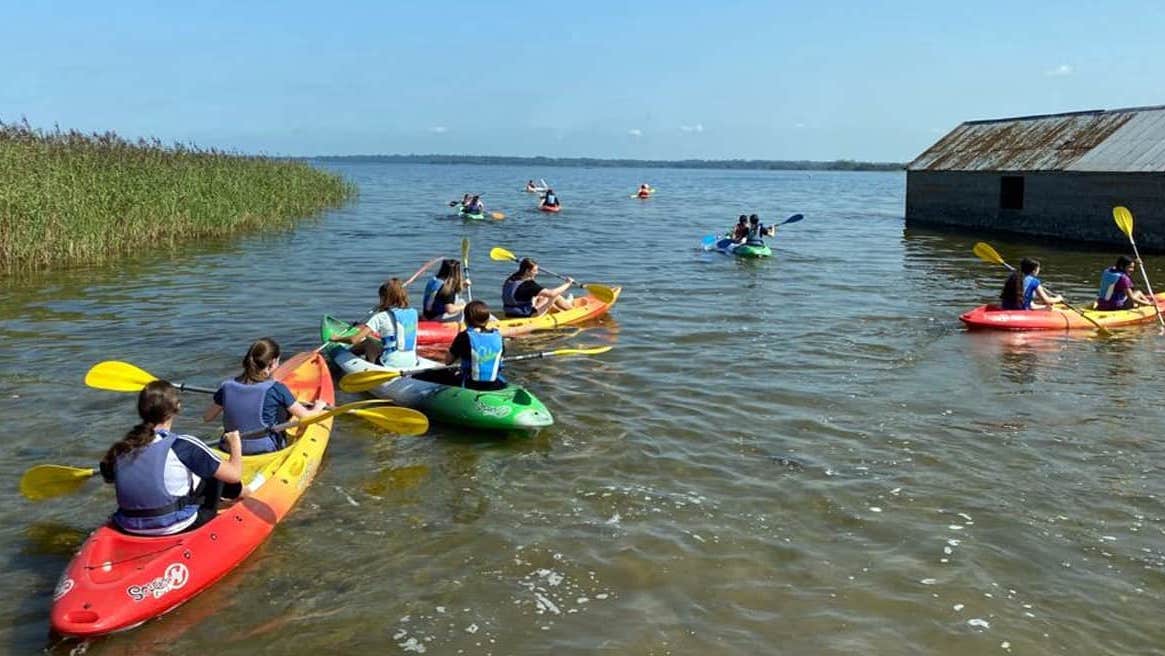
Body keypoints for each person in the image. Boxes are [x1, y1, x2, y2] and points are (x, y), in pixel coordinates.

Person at [100, 381, 243, 536]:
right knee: (213, 472)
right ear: (178, 407)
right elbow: (234, 475)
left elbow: (109, 476)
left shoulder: (122, 447)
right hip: (173, 525)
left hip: (127, 525)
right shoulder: (183, 445)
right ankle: (238, 496)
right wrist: (235, 443)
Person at [203, 338, 326, 455]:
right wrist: (318, 407)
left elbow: (207, 417)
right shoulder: (276, 388)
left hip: (229, 447)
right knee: (282, 411)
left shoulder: (227, 386)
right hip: (263, 449)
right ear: (272, 363)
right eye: (278, 361)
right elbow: (306, 417)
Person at [329, 278, 420, 368]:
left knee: (368, 341)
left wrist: (336, 338)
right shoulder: (413, 313)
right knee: (372, 340)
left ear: (384, 298)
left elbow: (354, 340)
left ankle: (357, 362)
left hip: (390, 364)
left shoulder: (380, 317)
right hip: (412, 362)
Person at [445, 300, 507, 391]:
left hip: (470, 385)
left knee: (448, 374)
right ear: (487, 319)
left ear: (465, 319)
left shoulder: (464, 336)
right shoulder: (498, 336)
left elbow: (448, 361)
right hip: (495, 384)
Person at [501, 257, 574, 317]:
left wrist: (525, 264)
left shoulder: (511, 279)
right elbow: (552, 293)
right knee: (556, 295)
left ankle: (557, 308)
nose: (537, 273)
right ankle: (573, 311)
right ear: (527, 271)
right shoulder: (529, 284)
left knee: (541, 296)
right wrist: (568, 283)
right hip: (527, 316)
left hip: (509, 314)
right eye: (535, 271)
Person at [999, 257, 1063, 310]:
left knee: (1043, 304)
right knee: (1049, 307)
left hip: (1005, 307)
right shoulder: (1034, 281)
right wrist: (1058, 298)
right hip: (1021, 310)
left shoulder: (1012, 277)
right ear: (1034, 270)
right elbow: (1046, 300)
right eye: (1038, 268)